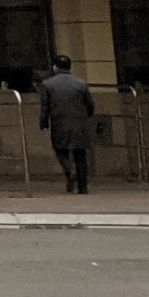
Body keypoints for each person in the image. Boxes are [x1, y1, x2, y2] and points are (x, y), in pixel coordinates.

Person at [40, 54, 98, 196]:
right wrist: (87, 115)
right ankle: (83, 187)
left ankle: (69, 170)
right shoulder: (81, 83)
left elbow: (45, 107)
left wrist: (43, 123)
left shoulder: (48, 85)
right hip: (80, 123)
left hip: (59, 122)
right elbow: (90, 104)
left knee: (60, 150)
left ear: (55, 67)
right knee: (80, 155)